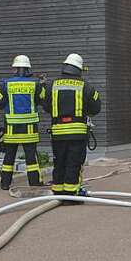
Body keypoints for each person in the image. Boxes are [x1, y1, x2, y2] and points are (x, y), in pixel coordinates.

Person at [41, 53, 101, 196]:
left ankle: (58, 191)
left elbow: (46, 107)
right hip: (77, 133)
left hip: (58, 133)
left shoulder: (51, 86)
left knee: (59, 162)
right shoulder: (86, 87)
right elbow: (96, 108)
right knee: (74, 163)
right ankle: (71, 194)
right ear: (79, 69)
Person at [0, 55, 46, 189]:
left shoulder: (6, 84)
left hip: (11, 128)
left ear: (15, 69)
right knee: (31, 158)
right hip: (30, 129)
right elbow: (43, 99)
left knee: (9, 157)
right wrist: (43, 85)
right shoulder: (35, 84)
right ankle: (34, 183)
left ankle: (5, 184)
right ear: (28, 69)